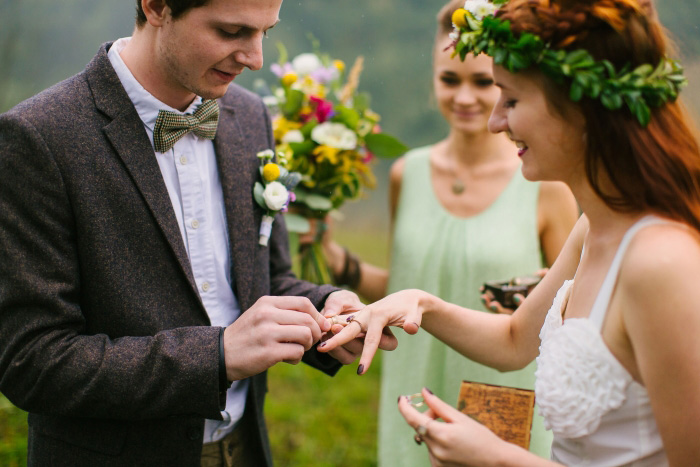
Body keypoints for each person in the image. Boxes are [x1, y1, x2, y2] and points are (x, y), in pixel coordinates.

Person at [0, 0, 397, 465]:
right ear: (156, 6)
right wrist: (217, 355)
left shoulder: (249, 115)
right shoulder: (39, 136)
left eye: (265, 33)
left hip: (246, 448)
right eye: (232, 32)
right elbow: (32, 360)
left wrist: (325, 309)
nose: (255, 58)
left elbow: (266, 279)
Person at [320, 0, 700, 465]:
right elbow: (515, 341)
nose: (495, 120)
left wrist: (499, 458)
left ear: (578, 107)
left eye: (512, 99)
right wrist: (420, 302)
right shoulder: (591, 229)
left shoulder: (659, 261)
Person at [320, 0, 577, 463]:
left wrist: (536, 294)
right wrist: (336, 259)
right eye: (449, 79)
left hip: (504, 395)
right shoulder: (407, 174)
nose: (464, 97)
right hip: (413, 388)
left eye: (483, 83)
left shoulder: (546, 184)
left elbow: (574, 310)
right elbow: (407, 289)